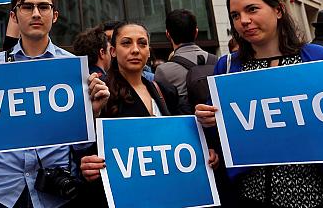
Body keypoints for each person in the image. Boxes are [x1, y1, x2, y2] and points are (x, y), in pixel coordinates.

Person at [0, 0, 110, 208]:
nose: (36, 13)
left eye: (43, 7)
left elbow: (81, 147)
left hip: (57, 194)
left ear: (54, 16)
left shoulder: (72, 68)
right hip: (4, 192)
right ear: (14, 16)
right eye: (27, 7)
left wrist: (92, 113)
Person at [195, 0, 323, 207]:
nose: (244, 21)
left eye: (252, 9)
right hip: (251, 196)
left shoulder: (317, 58)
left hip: (317, 196)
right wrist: (207, 119)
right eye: (235, 15)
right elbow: (221, 134)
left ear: (278, 10)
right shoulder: (228, 66)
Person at [78, 22, 219, 207]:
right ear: (112, 51)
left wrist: (202, 152)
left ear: (149, 51)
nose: (135, 50)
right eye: (126, 43)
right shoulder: (98, 92)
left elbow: (180, 137)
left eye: (142, 43)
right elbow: (83, 146)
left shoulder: (165, 90)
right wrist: (88, 163)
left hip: (169, 194)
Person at [154, 9, 216, 114]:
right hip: (218, 127)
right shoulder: (217, 61)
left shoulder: (163, 71)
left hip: (185, 128)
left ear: (168, 34)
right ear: (196, 32)